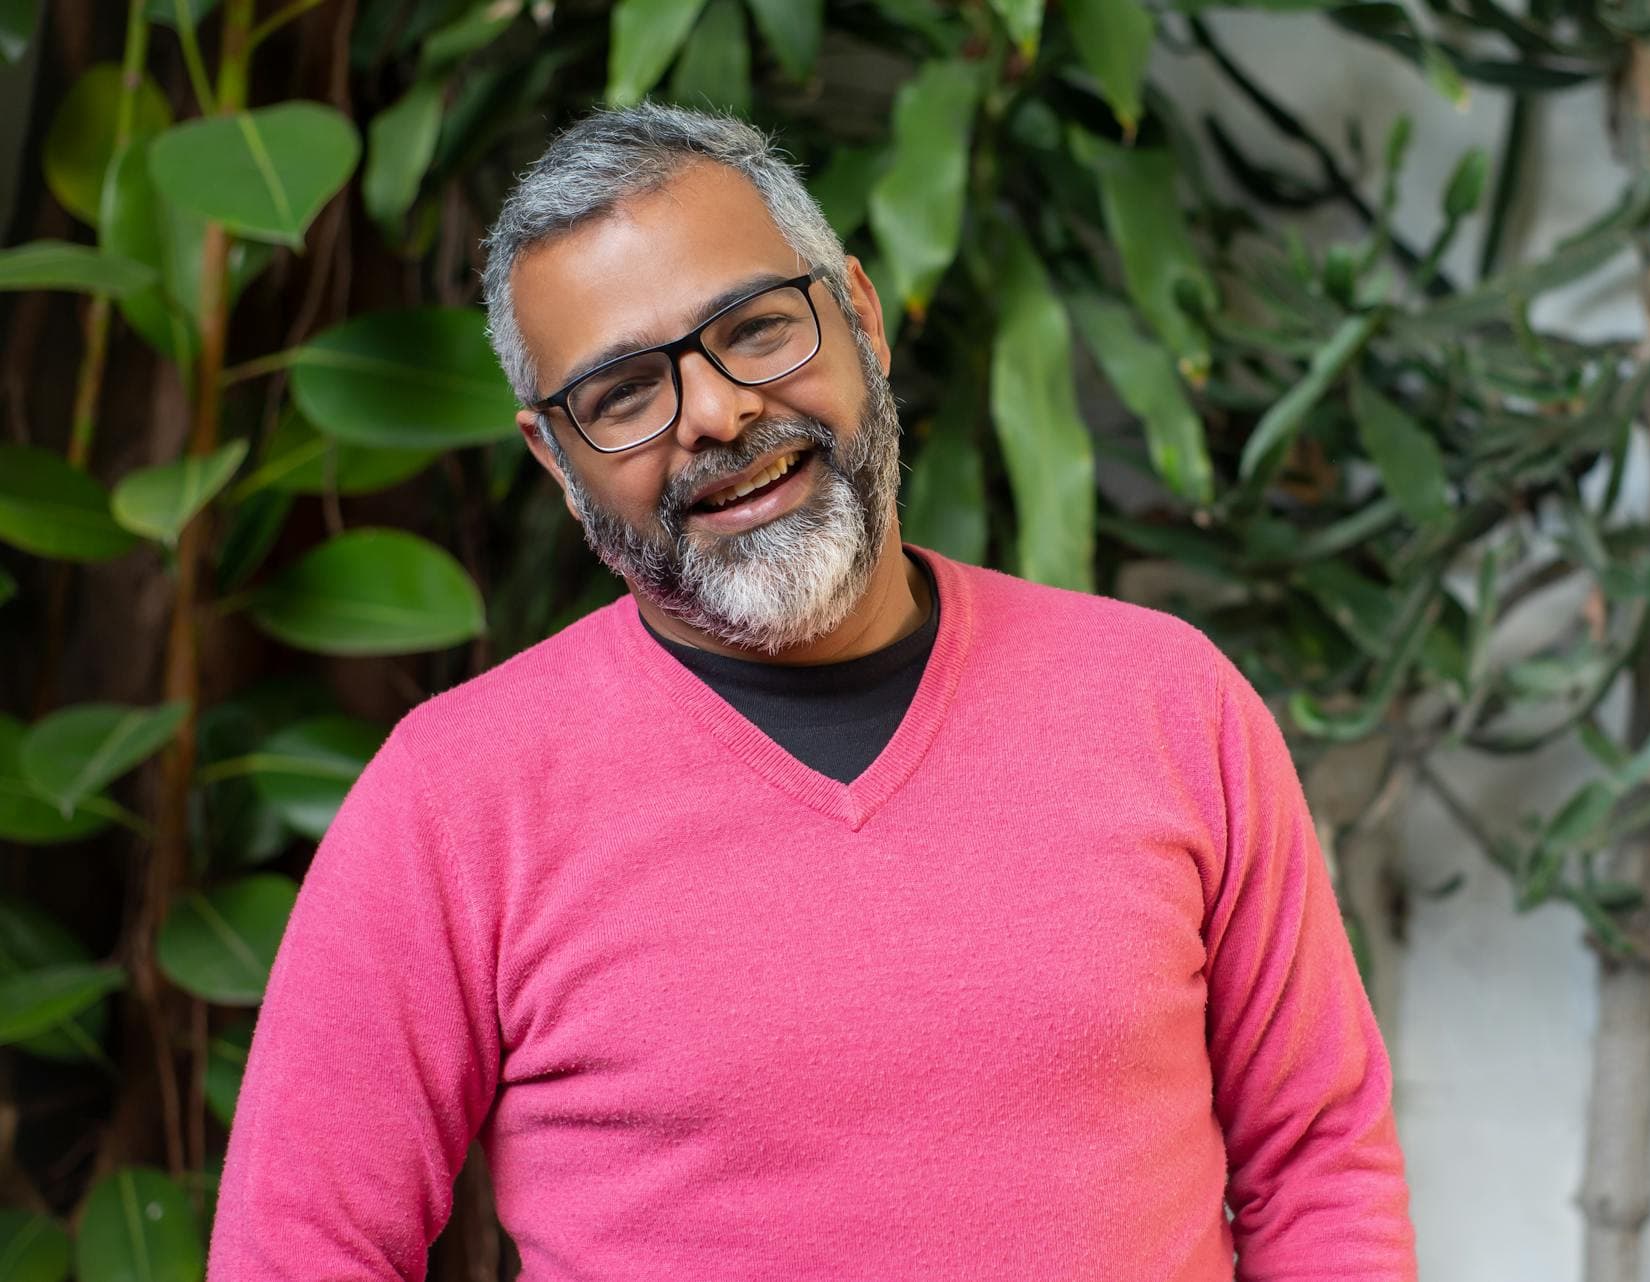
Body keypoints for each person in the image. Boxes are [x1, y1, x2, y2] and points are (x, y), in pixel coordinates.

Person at [207, 102, 1417, 1281]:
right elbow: (298, 1252)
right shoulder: (453, 799)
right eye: (625, 395)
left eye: (756, 329)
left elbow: (1318, 1163)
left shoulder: (1168, 702)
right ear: (553, 459)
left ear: (862, 317)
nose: (720, 411)